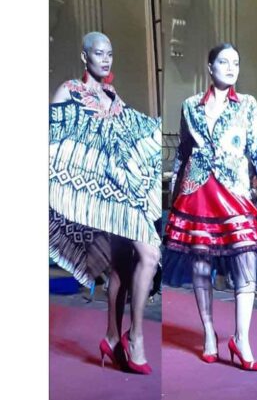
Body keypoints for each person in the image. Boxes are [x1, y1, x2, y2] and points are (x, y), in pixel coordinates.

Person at [49, 32, 161, 375]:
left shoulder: (113, 96)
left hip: (123, 190)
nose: (106, 59)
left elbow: (129, 136)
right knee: (145, 256)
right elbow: (53, 137)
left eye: (110, 54)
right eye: (99, 53)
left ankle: (113, 338)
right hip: (99, 193)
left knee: (128, 265)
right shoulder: (69, 90)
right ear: (85, 57)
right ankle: (135, 337)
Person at [162, 43, 257, 371]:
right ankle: (209, 334)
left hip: (234, 192)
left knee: (246, 259)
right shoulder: (190, 105)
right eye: (223, 62)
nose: (230, 67)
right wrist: (173, 192)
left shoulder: (248, 105)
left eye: (235, 62)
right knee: (200, 266)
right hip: (196, 193)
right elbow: (183, 152)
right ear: (210, 67)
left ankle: (242, 339)